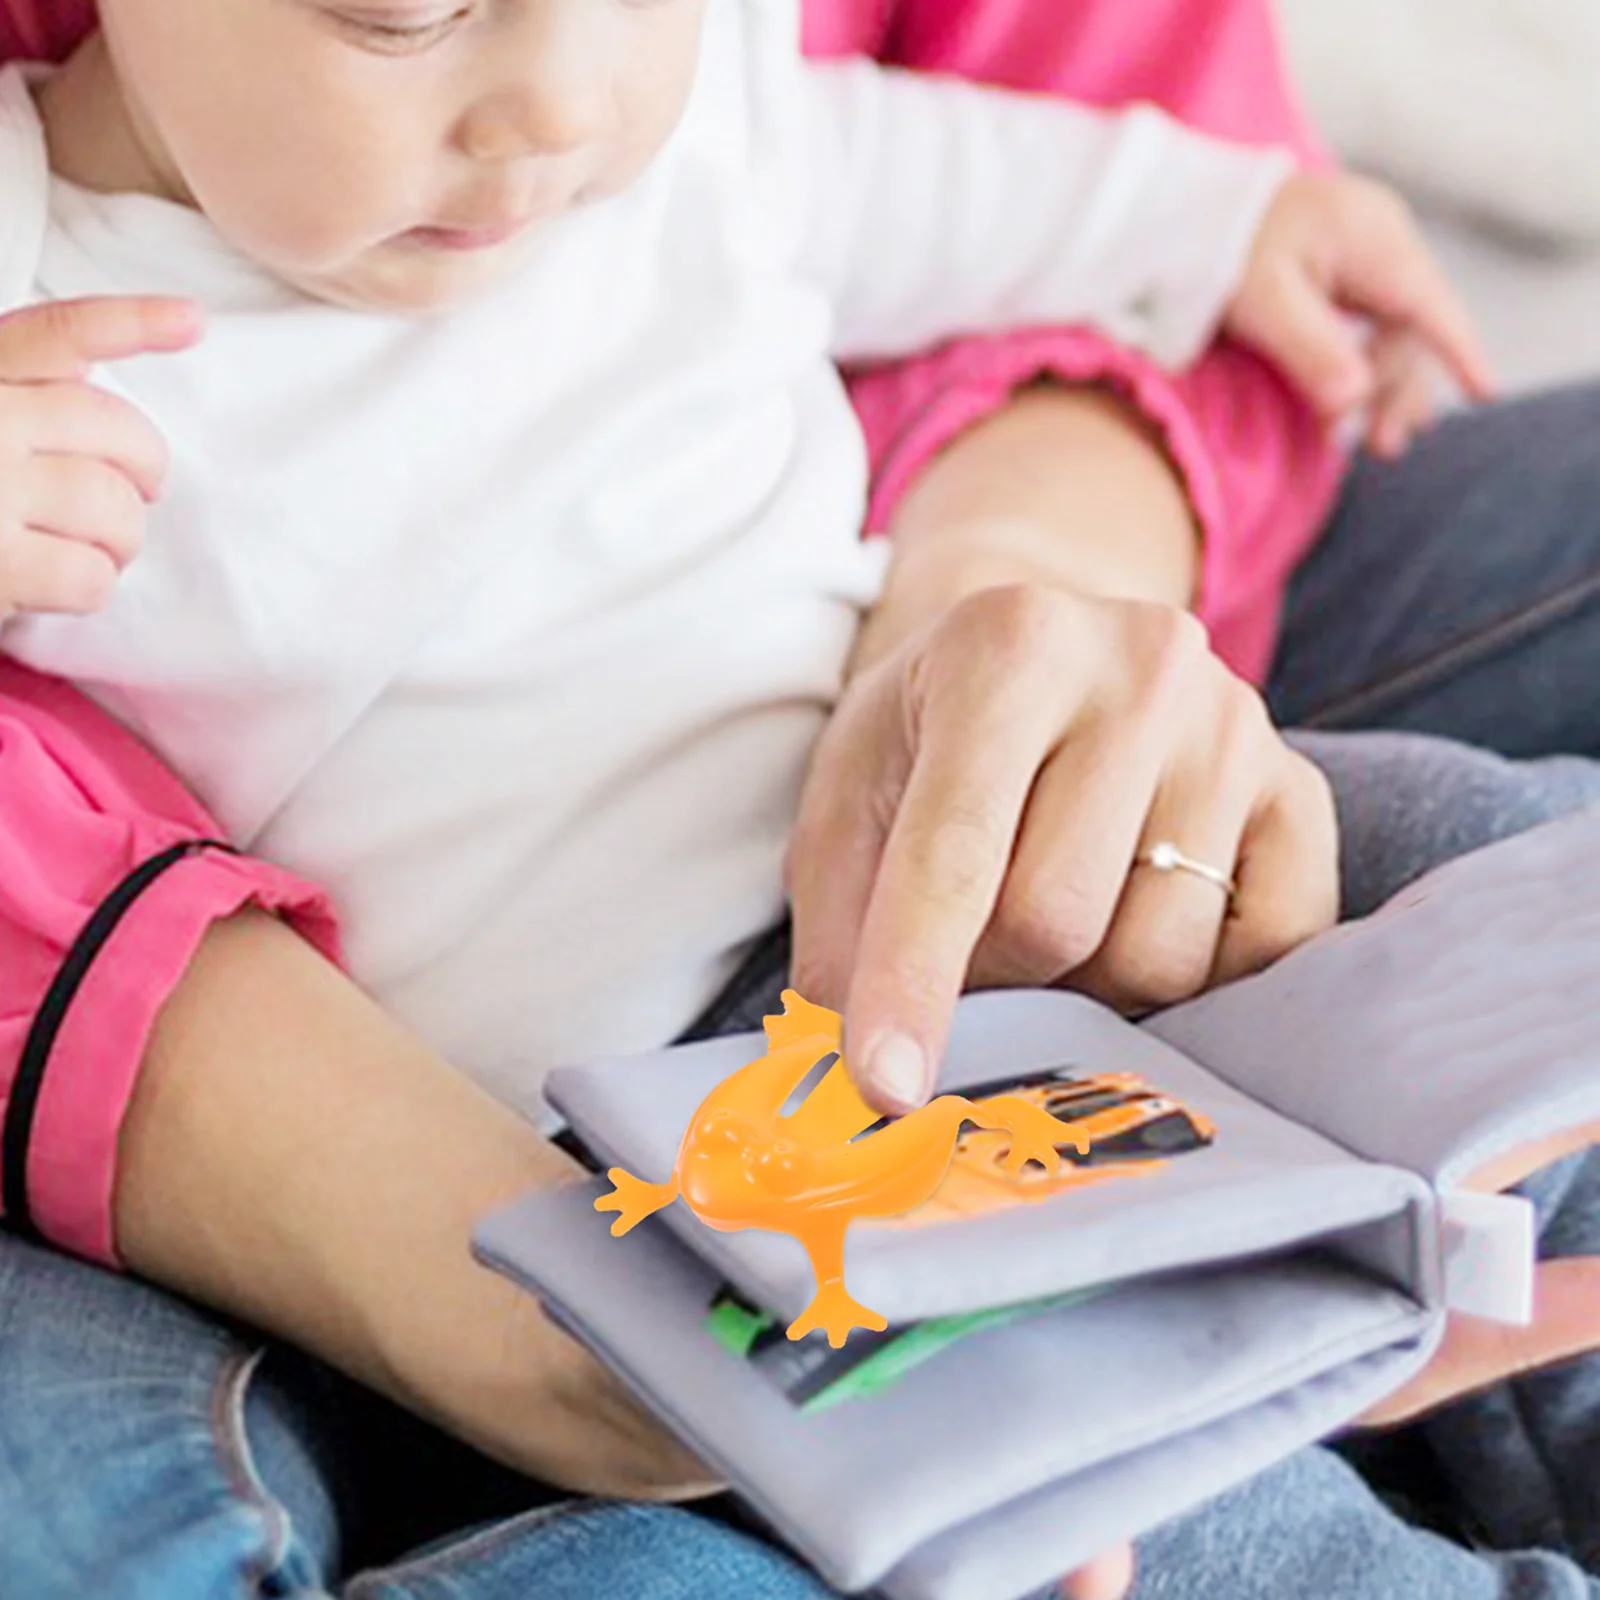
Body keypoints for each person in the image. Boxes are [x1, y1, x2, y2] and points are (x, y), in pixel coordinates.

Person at [0, 4, 1598, 1600]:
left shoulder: (692, 106)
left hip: (950, 825)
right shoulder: (30, 277)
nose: (555, 109)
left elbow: (935, 176)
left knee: (1476, 866)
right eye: (408, 14)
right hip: (660, 1123)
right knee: (1124, 1465)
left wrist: (1228, 223)